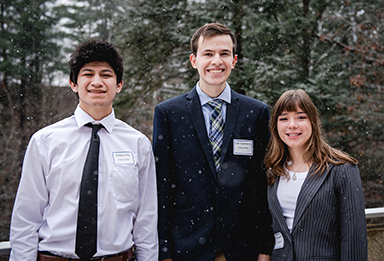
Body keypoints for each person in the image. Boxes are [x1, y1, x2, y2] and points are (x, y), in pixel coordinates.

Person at [9, 39, 158, 261]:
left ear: (119, 85)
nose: (97, 82)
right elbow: (26, 218)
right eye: (88, 74)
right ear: (73, 83)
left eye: (106, 75)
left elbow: (146, 219)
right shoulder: (45, 141)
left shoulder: (138, 144)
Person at [153, 23, 274, 261]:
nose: (216, 61)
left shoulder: (256, 112)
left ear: (234, 60)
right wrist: (163, 250)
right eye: (208, 54)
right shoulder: (169, 114)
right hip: (187, 246)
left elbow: (261, 185)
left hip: (242, 247)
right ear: (194, 60)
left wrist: (264, 247)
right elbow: (162, 186)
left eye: (224, 54)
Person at [264, 89, 368, 260]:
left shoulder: (342, 169)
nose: (292, 125)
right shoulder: (272, 169)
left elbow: (354, 238)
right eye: (283, 118)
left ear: (313, 121)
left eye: (300, 117)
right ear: (275, 125)